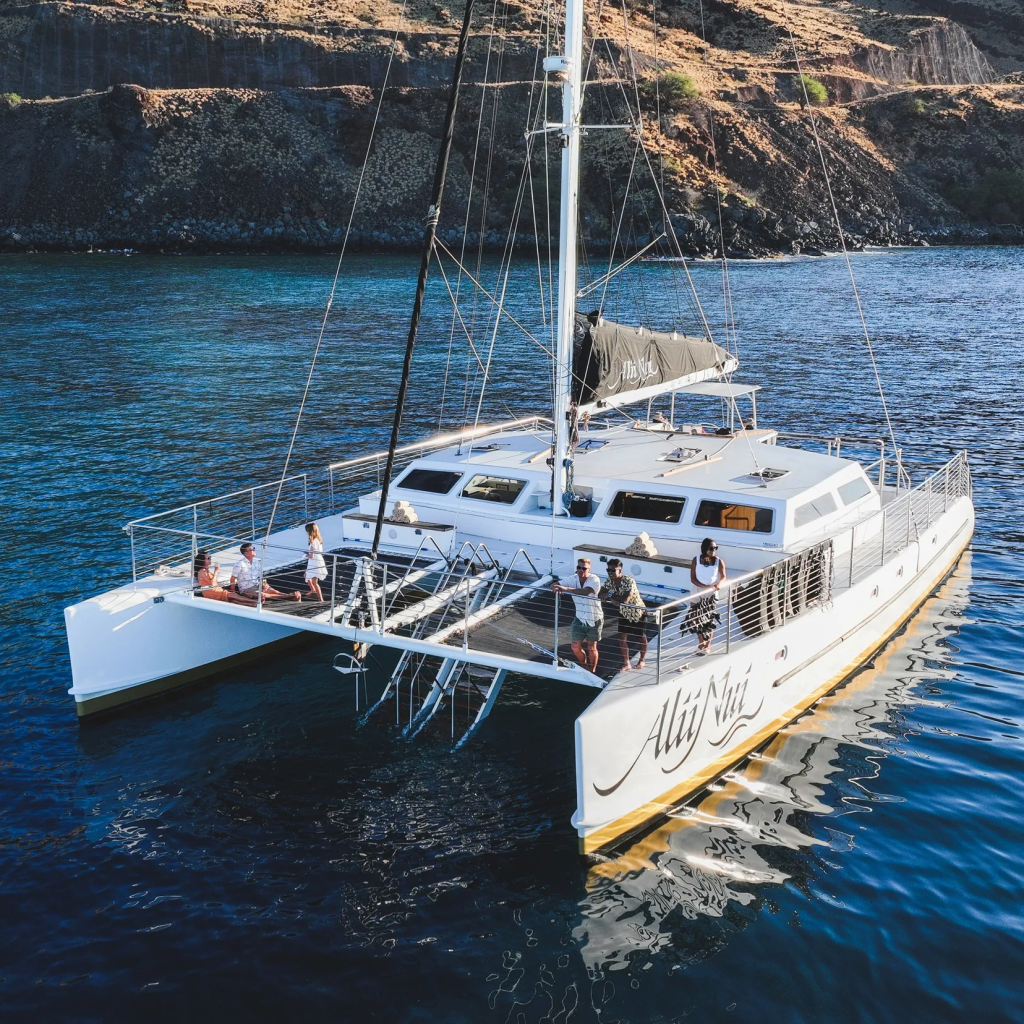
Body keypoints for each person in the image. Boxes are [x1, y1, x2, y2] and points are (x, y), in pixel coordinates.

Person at [551, 557, 603, 673]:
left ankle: (593, 670)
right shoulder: (572, 578)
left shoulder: (594, 580)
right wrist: (556, 588)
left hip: (594, 618)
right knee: (575, 647)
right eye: (578, 567)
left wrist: (565, 589)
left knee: (591, 646)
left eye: (584, 568)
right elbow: (554, 584)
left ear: (589, 569)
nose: (580, 570)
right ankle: (585, 667)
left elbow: (585, 591)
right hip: (579, 618)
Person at [602, 558, 648, 671]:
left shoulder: (628, 580)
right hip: (624, 612)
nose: (610, 572)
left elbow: (625, 599)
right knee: (622, 638)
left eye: (613, 570)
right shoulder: (609, 581)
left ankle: (642, 660)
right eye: (608, 570)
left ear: (620, 570)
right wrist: (610, 596)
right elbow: (600, 593)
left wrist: (611, 596)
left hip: (638, 612)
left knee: (641, 637)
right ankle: (626, 663)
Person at [685, 537, 727, 654]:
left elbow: (723, 576)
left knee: (709, 619)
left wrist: (718, 584)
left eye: (715, 548)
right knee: (696, 617)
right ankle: (701, 643)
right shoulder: (696, 560)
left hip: (711, 592)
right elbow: (692, 578)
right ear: (705, 548)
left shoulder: (719, 561)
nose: (714, 550)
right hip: (698, 590)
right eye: (711, 548)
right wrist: (704, 587)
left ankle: (707, 645)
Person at [230, 542, 301, 602]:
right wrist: (233, 592)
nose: (254, 550)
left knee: (274, 591)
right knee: (263, 595)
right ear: (245, 553)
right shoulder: (239, 564)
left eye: (253, 548)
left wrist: (264, 584)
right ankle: (290, 596)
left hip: (258, 585)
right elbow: (233, 579)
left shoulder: (257, 561)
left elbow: (261, 576)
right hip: (246, 589)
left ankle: (290, 596)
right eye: (251, 549)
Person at [304, 522, 327, 601]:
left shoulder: (313, 541)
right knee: (307, 575)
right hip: (317, 560)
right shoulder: (318, 539)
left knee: (314, 581)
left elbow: (311, 555)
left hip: (314, 562)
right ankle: (313, 590)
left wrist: (305, 555)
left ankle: (321, 599)